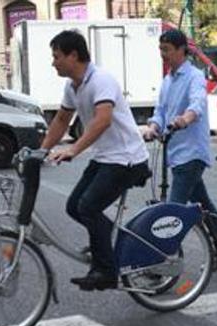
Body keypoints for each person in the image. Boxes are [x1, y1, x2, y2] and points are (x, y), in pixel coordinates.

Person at [41, 30, 150, 290]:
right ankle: (105, 243)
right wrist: (40, 151)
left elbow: (103, 120)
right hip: (106, 158)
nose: (53, 62)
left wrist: (73, 149)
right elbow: (61, 120)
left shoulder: (101, 80)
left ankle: (106, 271)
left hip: (127, 159)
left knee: (88, 207)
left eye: (56, 56)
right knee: (74, 206)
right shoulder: (72, 86)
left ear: (73, 55)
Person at [141, 29, 217, 265]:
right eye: (160, 50)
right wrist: (153, 126)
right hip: (175, 152)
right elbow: (160, 111)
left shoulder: (194, 76)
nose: (163, 55)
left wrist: (185, 118)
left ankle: (159, 261)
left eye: (167, 50)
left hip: (192, 152)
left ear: (181, 50)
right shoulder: (168, 80)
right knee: (202, 204)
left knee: (173, 210)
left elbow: (197, 104)